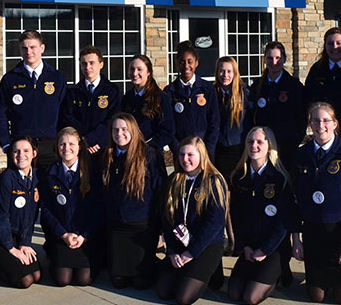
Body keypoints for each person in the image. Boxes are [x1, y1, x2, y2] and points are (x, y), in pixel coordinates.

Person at [292, 102, 341, 304]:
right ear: (310, 124)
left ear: (335, 123)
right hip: (314, 234)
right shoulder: (301, 154)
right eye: (316, 121)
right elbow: (294, 199)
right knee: (316, 297)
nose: (321, 125)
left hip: (340, 234)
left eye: (326, 120)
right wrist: (297, 239)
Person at [156, 136, 227, 305]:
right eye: (181, 154)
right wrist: (172, 251)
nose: (185, 159)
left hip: (206, 246)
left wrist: (191, 252)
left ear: (202, 155)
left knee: (183, 298)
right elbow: (167, 218)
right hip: (180, 243)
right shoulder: (174, 179)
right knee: (163, 292)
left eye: (190, 155)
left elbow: (214, 223)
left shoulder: (213, 180)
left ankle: (210, 272)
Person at [228, 126, 294, 305]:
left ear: (270, 146)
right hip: (250, 247)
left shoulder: (280, 179)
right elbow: (236, 217)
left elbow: (284, 222)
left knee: (251, 298)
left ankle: (280, 272)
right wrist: (245, 247)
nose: (254, 146)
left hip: (273, 248)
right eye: (250, 141)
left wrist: (264, 249)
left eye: (259, 141)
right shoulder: (239, 178)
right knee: (234, 293)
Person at [102, 112, 164, 289]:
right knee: (118, 282)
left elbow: (160, 193)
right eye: (115, 130)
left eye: (124, 129)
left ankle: (156, 265)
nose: (119, 133)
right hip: (117, 227)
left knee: (140, 283)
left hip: (142, 227)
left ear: (134, 130)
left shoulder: (150, 155)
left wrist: (160, 230)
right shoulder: (108, 156)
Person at [40, 127, 104, 286]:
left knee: (84, 280)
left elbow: (99, 208)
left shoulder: (92, 172)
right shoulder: (50, 173)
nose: (66, 148)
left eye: (71, 144)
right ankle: (53, 255)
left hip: (85, 236)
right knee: (62, 280)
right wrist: (63, 234)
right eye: (62, 144)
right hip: (62, 236)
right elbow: (46, 209)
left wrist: (84, 235)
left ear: (80, 146)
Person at [0, 30, 67, 171]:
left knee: (50, 189)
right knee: (20, 190)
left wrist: (62, 141)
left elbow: (65, 112)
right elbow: (0, 114)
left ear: (42, 48)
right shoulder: (10, 79)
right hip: (21, 147)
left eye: (33, 47)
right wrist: (5, 143)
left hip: (50, 146)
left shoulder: (57, 77)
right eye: (24, 48)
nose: (29, 52)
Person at [0, 136, 41, 288]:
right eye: (16, 151)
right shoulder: (7, 178)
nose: (21, 155)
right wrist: (12, 249)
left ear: (34, 153)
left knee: (37, 275)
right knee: (25, 280)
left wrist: (25, 243)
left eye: (26, 151)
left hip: (14, 236)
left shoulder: (37, 177)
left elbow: (32, 214)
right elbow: (1, 218)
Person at [246, 41, 306, 172]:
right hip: (263, 147)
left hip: (287, 146)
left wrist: (294, 140)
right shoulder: (257, 87)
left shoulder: (294, 86)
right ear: (264, 60)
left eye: (278, 58)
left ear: (284, 59)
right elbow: (251, 116)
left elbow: (302, 117)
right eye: (270, 58)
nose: (274, 62)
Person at [60, 45, 120, 154]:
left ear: (101, 64)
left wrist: (93, 139)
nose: (87, 67)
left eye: (92, 63)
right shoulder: (73, 91)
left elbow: (112, 119)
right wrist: (84, 140)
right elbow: (68, 118)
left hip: (103, 146)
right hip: (81, 147)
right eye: (84, 64)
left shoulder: (112, 91)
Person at [164, 42, 219, 160]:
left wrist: (208, 150)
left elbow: (214, 122)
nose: (186, 66)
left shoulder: (208, 89)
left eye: (190, 62)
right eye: (182, 62)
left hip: (204, 151)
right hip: (182, 153)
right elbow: (168, 125)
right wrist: (177, 149)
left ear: (196, 63)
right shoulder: (169, 91)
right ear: (177, 63)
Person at [121, 54, 174, 159]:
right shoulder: (127, 98)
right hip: (129, 153)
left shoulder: (160, 98)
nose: (135, 73)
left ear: (148, 72)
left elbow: (168, 131)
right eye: (132, 69)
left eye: (139, 69)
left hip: (151, 156)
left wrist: (147, 147)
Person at [213, 56, 248, 184]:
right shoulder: (211, 94)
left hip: (238, 150)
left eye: (229, 71)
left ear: (235, 73)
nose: (225, 75)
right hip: (218, 150)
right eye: (221, 71)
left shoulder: (245, 94)